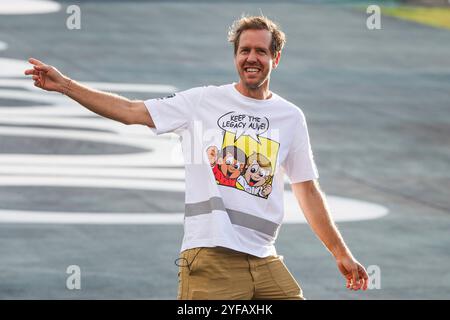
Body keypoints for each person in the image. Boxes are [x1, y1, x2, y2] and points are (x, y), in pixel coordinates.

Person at [25, 15, 369, 300]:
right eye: (244, 50)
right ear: (235, 57)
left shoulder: (290, 116)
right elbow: (131, 111)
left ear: (275, 59)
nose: (252, 57)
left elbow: (307, 190)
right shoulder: (202, 102)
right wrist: (66, 86)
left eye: (261, 51)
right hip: (211, 256)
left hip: (265, 260)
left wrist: (341, 253)